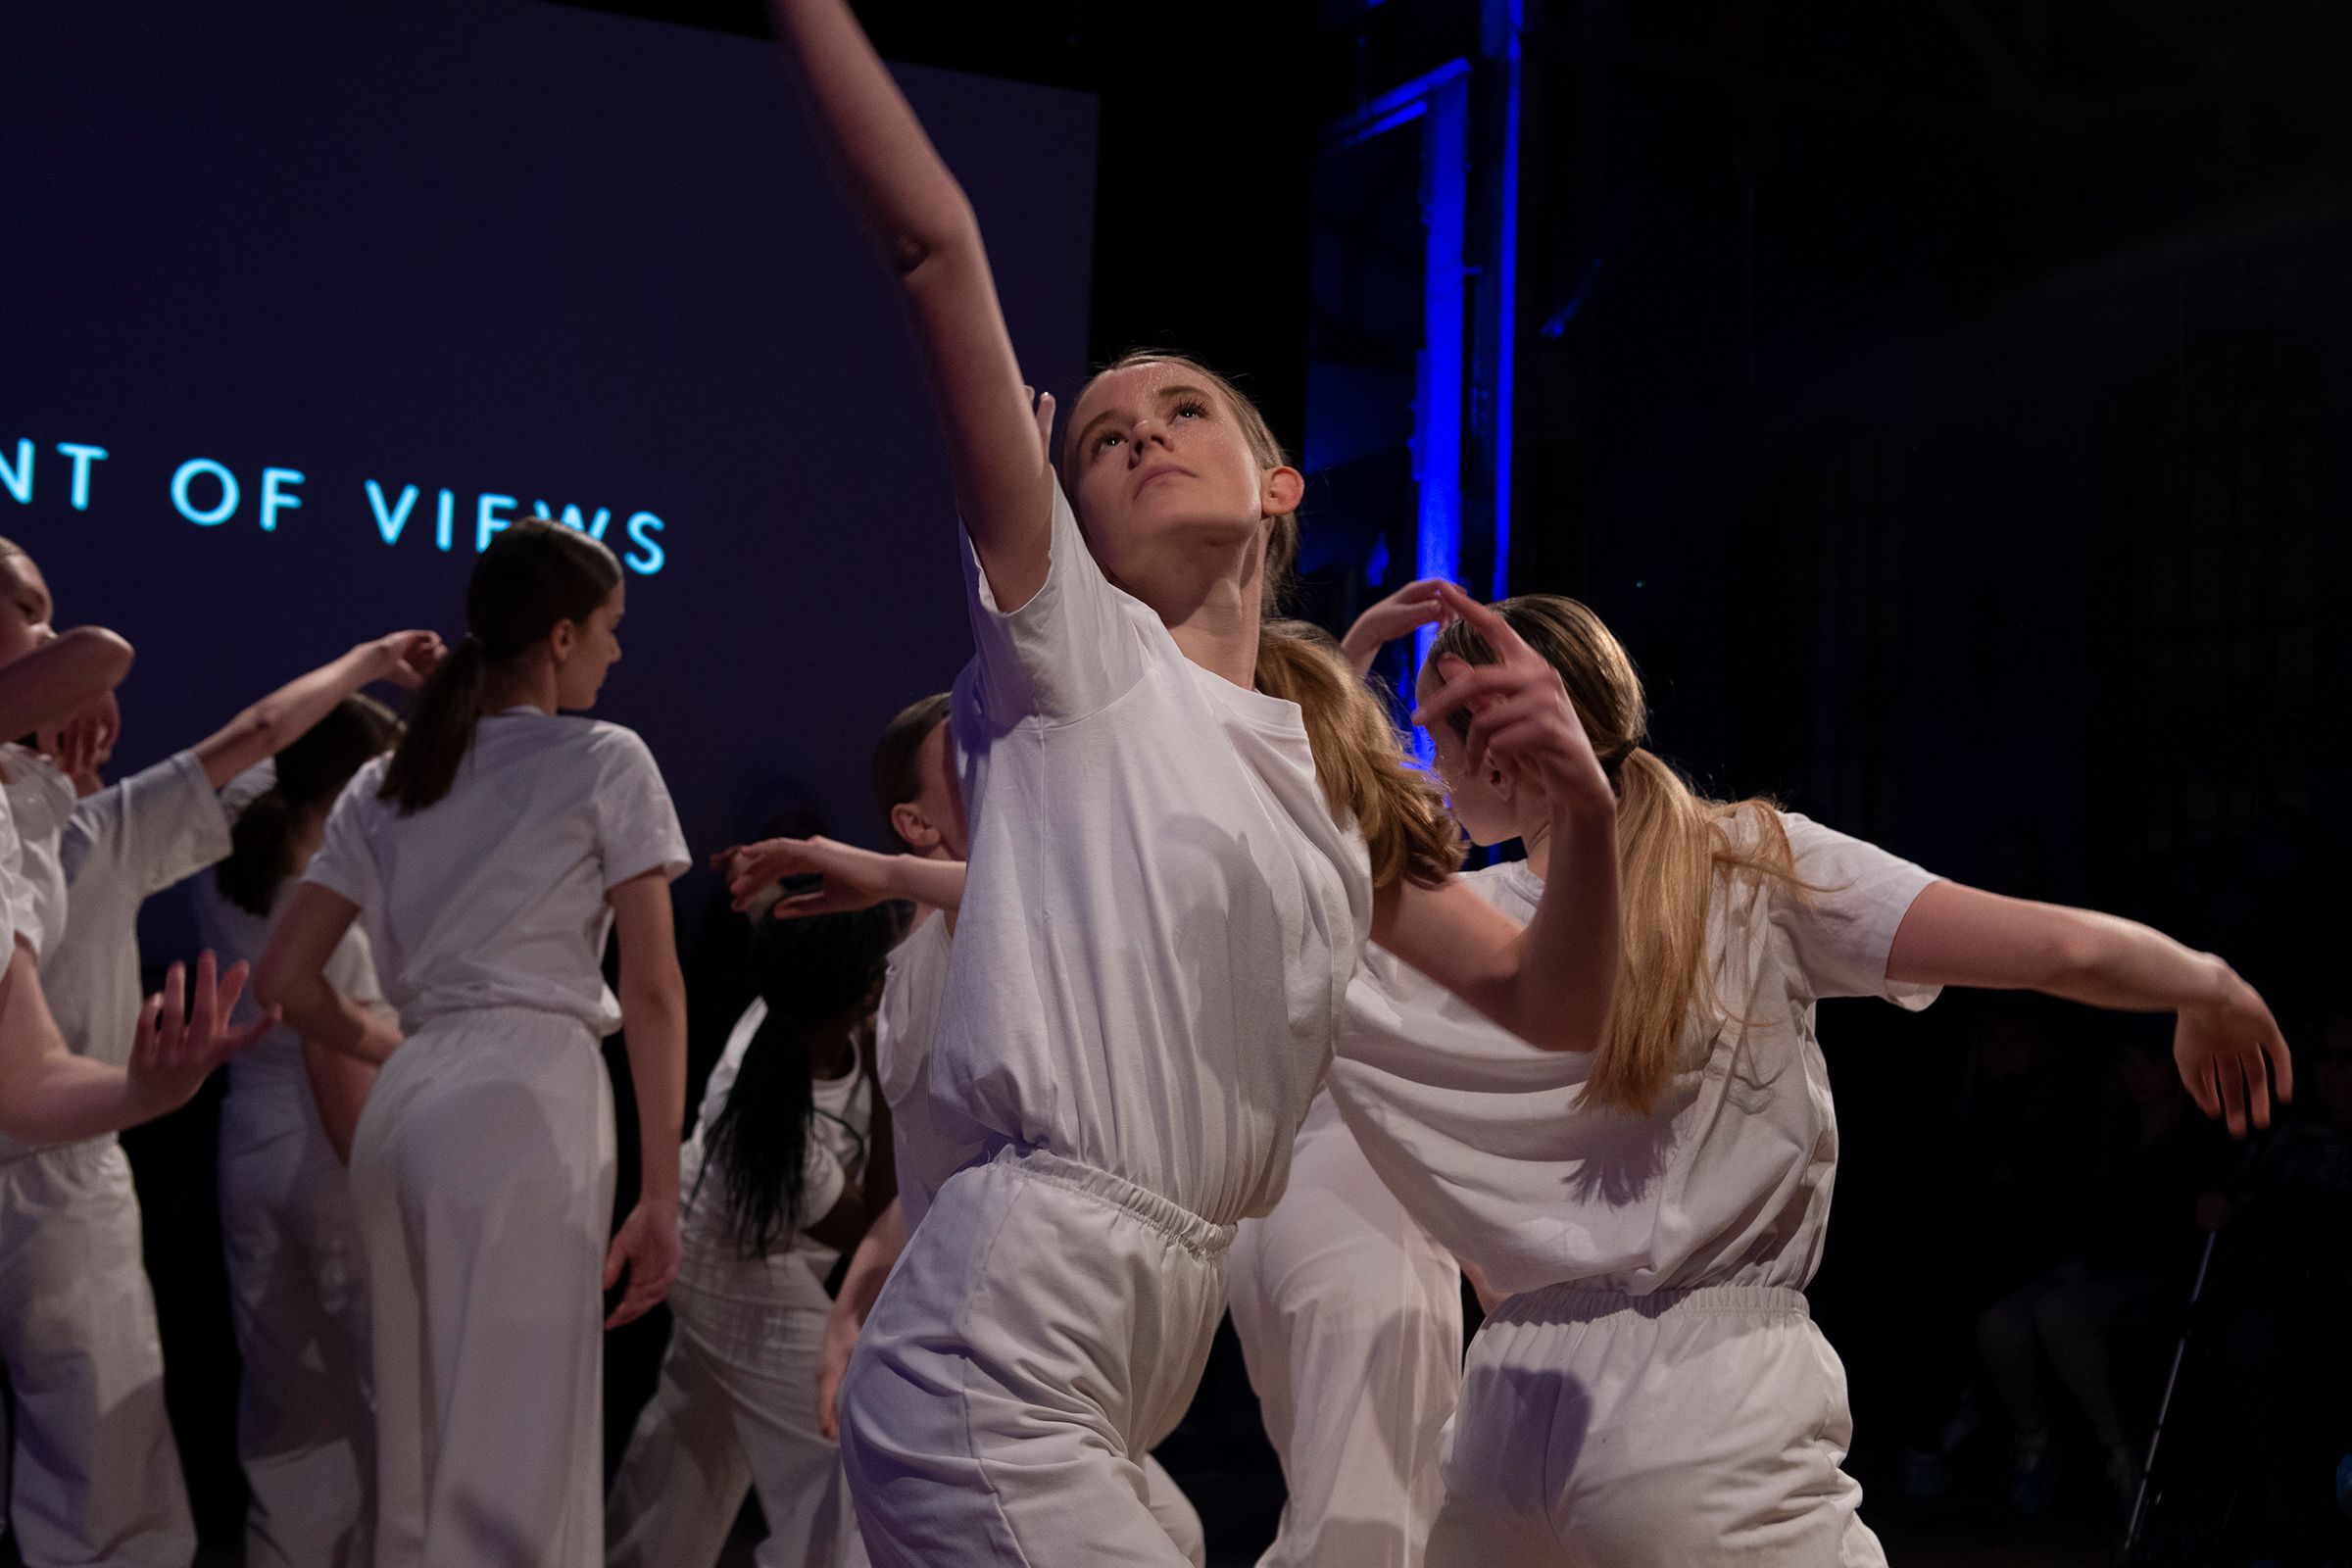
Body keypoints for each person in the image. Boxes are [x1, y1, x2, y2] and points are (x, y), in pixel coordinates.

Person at [761, 10, 1624, 1562]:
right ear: (1070, 523)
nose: (1144, 438)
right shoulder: (1077, 659)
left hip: (1131, 1361)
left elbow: (1550, 1005)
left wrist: (1597, 814)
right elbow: (935, 249)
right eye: (1102, 439)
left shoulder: (1320, 783)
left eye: (1182, 414)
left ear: (1278, 484)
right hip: (1001, 1340)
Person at [1318, 592, 2291, 1567]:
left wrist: (1336, 691)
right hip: (1704, 1409)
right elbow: (2052, 946)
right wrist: (2206, 982)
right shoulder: (1748, 864)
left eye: (1432, 739)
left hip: (1503, 1422)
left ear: (1495, 752)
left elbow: (1293, 899)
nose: (1428, 768)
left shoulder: (1439, 934)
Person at [258, 518, 691, 1568]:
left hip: (412, 1098)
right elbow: (653, 988)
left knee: (418, 1462)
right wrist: (663, 1192)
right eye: (609, 626)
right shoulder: (605, 758)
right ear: (559, 635)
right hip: (524, 1098)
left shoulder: (386, 780)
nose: (616, 651)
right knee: (511, 1468)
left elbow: (281, 980)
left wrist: (398, 1044)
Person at [1228, 596, 1464, 1568]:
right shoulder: (1374, 884)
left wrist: (1351, 658)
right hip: (1367, 1207)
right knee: (1372, 1529)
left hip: (1268, 1215)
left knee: (1328, 1509)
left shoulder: (1240, 871)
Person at [606, 905, 900, 1568]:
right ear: (866, 992)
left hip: (735, 1244)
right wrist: (890, 1072)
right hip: (727, 1266)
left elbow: (787, 915)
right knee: (839, 1442)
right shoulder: (764, 1124)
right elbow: (875, 1227)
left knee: (690, 1457)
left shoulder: (793, 999)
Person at [197, 695, 403, 1567]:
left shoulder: (226, 865)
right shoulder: (330, 915)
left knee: (284, 1408)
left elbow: (257, 746)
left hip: (245, 1147)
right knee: (381, 1397)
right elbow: (332, 1067)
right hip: (329, 1157)